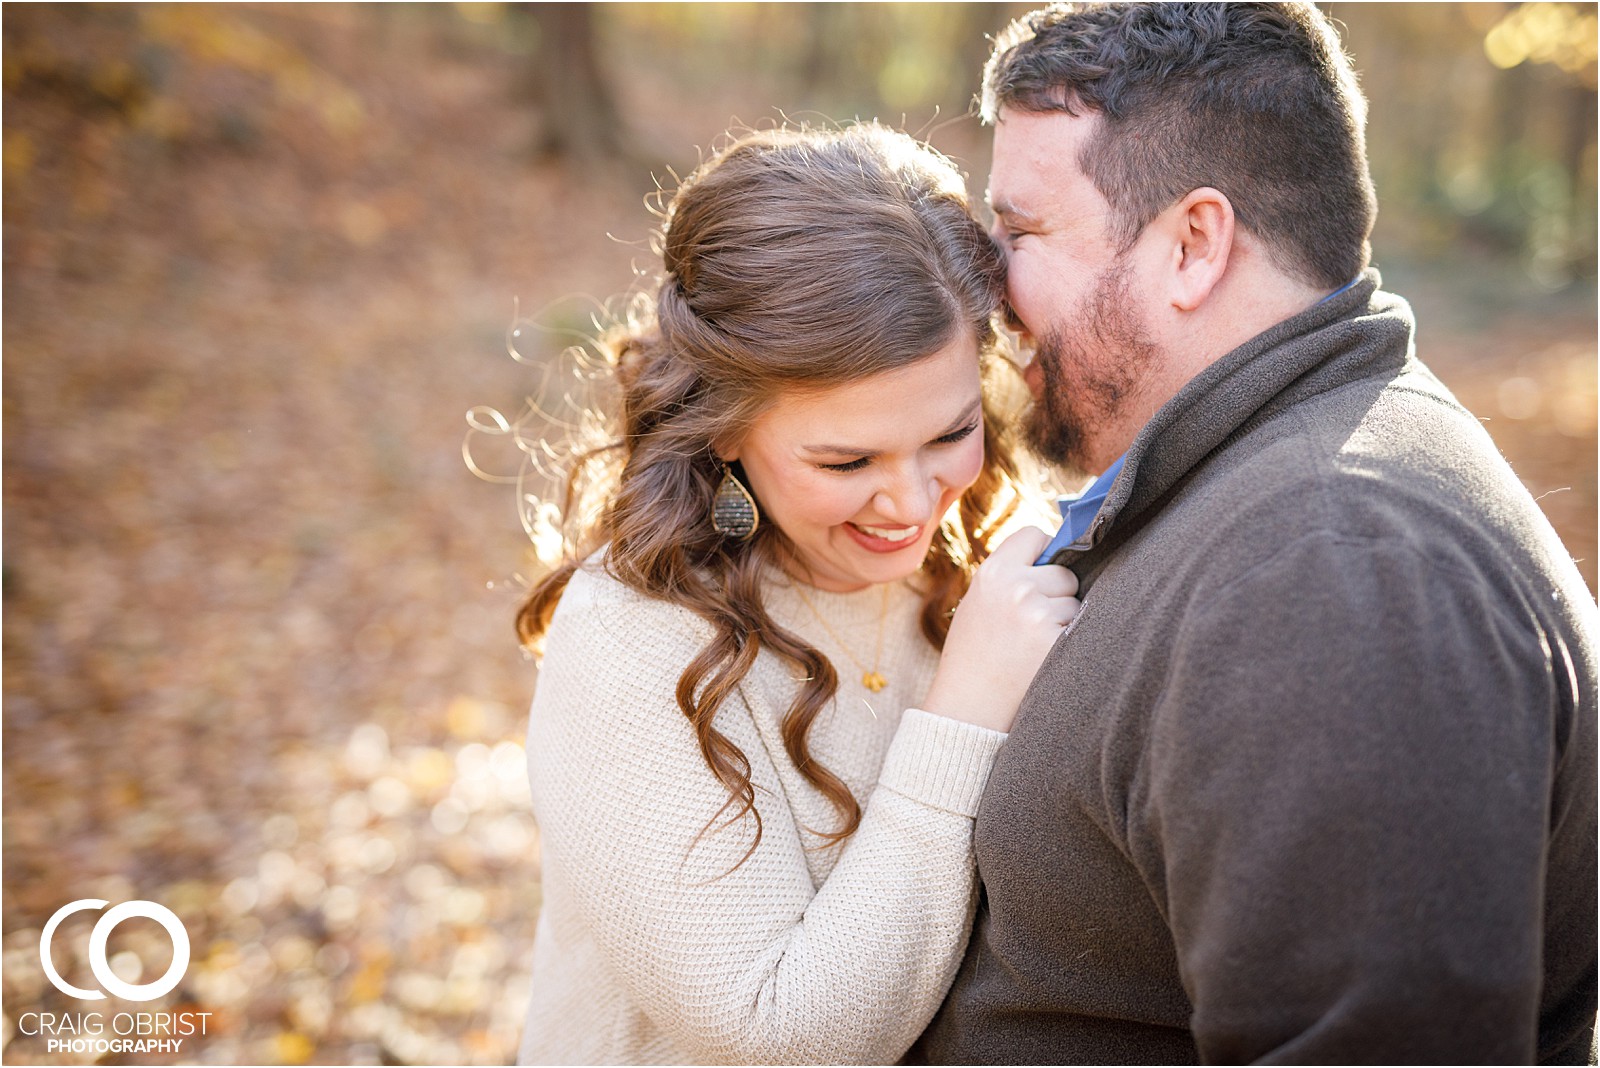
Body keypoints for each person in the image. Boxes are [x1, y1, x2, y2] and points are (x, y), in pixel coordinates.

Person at [913, 3, 1598, 1063]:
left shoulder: (1337, 569)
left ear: (1193, 244)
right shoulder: (1260, 494)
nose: (987, 292)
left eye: (1021, 233)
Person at [509, 123, 1079, 1065]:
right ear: (728, 429)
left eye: (950, 432)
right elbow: (779, 1034)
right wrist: (966, 712)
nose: (911, 503)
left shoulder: (989, 566)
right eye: (845, 458)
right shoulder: (632, 638)